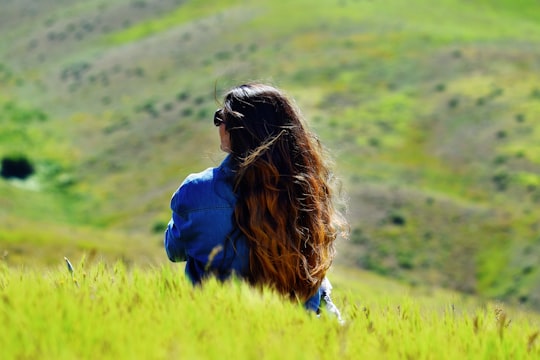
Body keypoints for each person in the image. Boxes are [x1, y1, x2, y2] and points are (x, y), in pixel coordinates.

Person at [165, 83, 347, 315]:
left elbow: (175, 251)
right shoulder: (306, 190)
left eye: (222, 118)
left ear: (238, 129)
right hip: (298, 331)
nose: (219, 125)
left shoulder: (195, 190)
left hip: (217, 328)